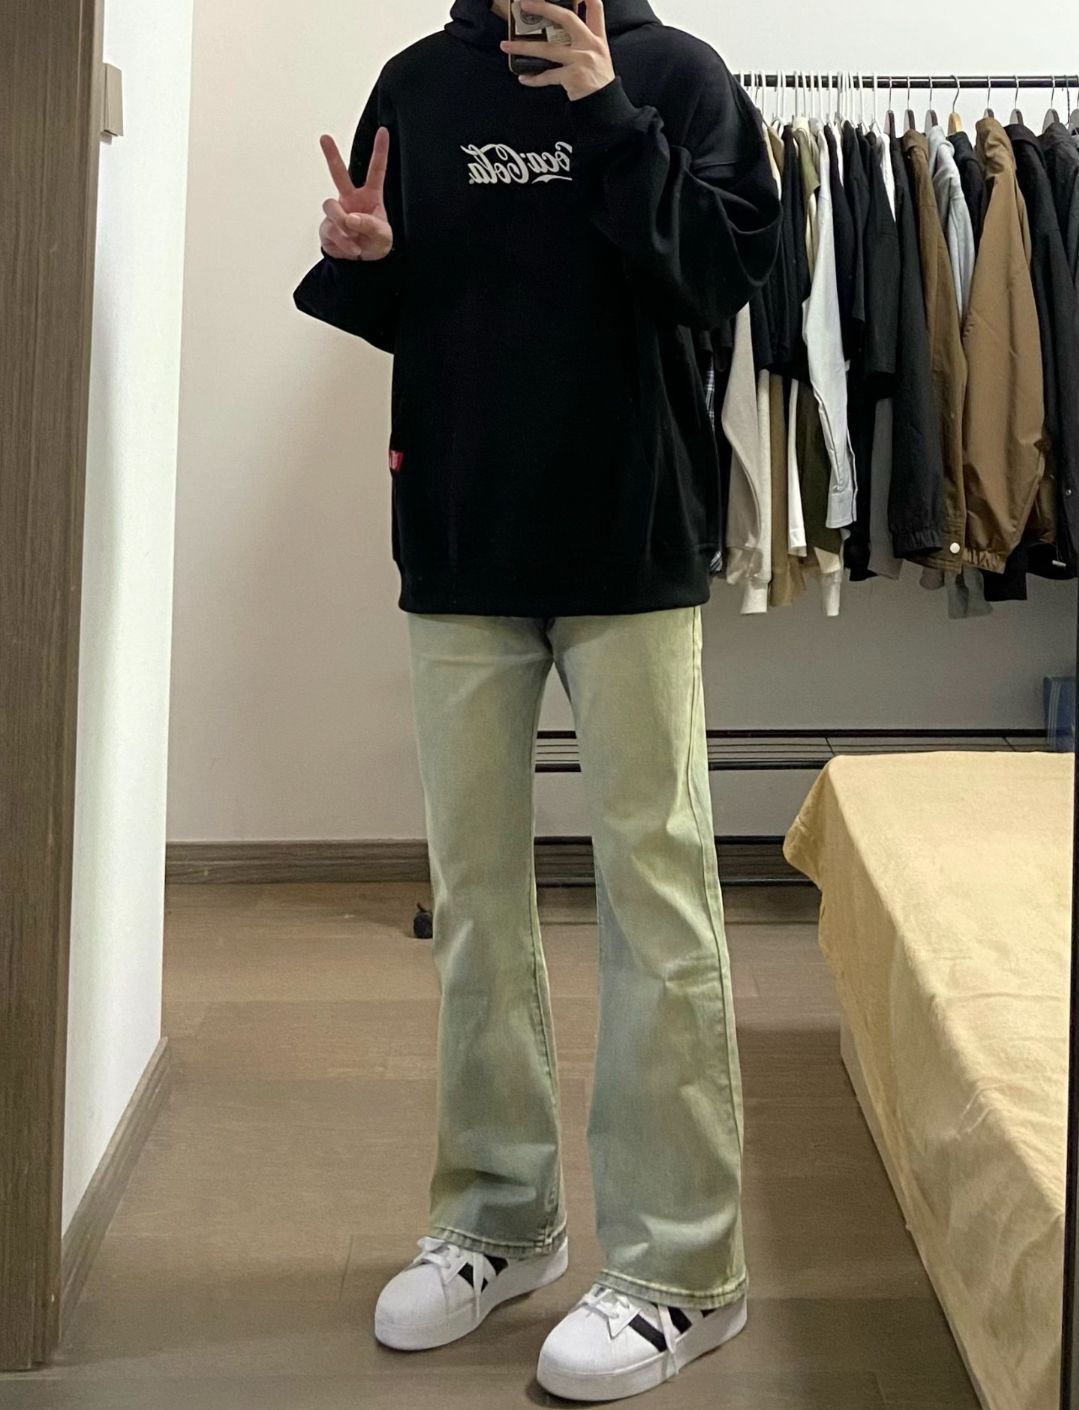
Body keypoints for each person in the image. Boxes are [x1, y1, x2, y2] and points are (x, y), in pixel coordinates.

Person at [292, 0, 780, 1400]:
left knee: (658, 898)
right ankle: (498, 1225)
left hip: (632, 543)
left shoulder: (679, 76)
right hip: (461, 540)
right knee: (474, 902)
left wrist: (611, 115)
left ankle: (685, 1268)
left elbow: (723, 275)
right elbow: (423, 308)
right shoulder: (417, 82)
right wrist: (365, 261)